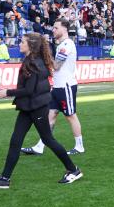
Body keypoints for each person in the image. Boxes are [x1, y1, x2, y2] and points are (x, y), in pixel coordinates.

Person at [0, 33, 83, 189]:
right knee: (16, 141)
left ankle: (73, 170)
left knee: (48, 140)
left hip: (37, 108)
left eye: (22, 42)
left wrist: (7, 92)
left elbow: (29, 90)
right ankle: (4, 179)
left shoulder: (34, 63)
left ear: (31, 45)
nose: (19, 44)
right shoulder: (32, 61)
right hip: (28, 107)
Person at [20, 19, 85, 156]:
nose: (53, 30)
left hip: (66, 86)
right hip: (57, 86)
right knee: (50, 116)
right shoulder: (62, 45)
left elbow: (56, 66)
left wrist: (44, 51)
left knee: (70, 115)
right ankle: (40, 146)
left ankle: (79, 146)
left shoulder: (67, 44)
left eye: (56, 28)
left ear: (64, 29)